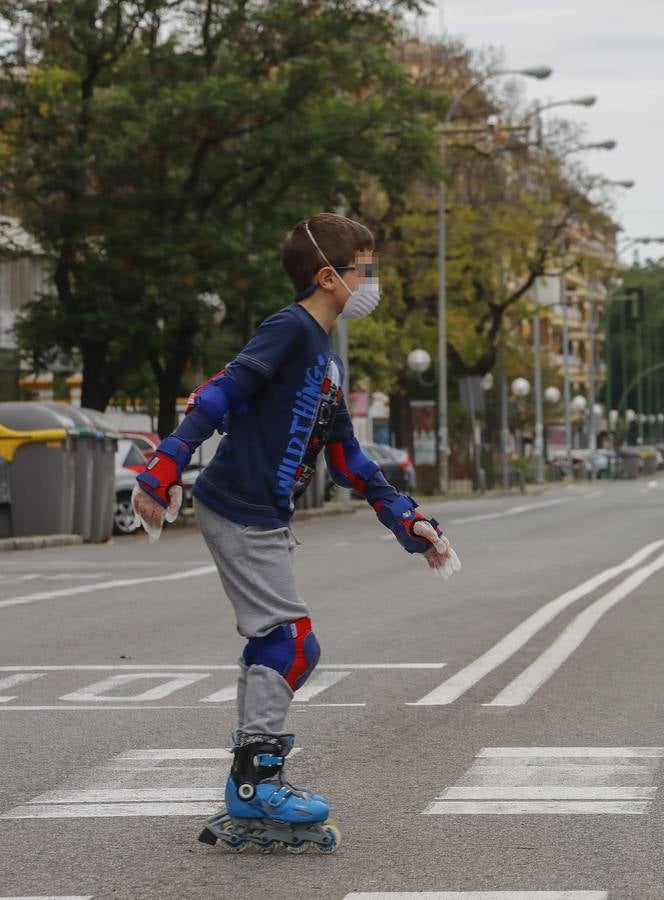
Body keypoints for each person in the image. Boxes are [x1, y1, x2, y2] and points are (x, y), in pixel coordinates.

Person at [132, 213, 459, 853]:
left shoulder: (328, 362)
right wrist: (163, 464)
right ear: (330, 276)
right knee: (291, 644)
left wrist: (408, 520)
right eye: (366, 266)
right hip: (239, 504)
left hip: (263, 512)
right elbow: (219, 394)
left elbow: (346, 459)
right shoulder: (290, 329)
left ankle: (252, 780)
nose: (374, 280)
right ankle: (255, 786)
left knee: (277, 643)